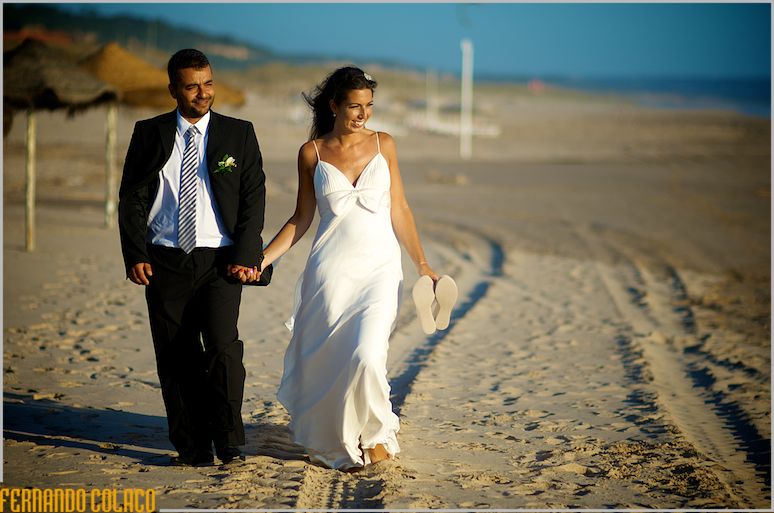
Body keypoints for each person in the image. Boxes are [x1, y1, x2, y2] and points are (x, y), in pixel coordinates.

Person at [255, 66, 439, 470]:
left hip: (379, 269)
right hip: (331, 272)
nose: (363, 115)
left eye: (369, 106)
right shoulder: (312, 153)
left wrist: (423, 265)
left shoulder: (384, 144)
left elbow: (400, 208)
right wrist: (263, 258)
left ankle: (374, 433)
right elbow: (302, 218)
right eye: (354, 106)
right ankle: (334, 440)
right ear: (334, 105)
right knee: (332, 360)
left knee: (367, 355)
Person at [117, 49, 266, 467]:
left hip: (221, 261)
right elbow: (132, 197)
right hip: (164, 261)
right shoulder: (149, 133)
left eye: (208, 83)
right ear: (173, 90)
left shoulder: (239, 133)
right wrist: (135, 253)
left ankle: (229, 441)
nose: (203, 93)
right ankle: (192, 448)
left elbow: (254, 197)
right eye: (192, 85)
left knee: (223, 349)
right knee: (176, 355)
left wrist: (246, 254)